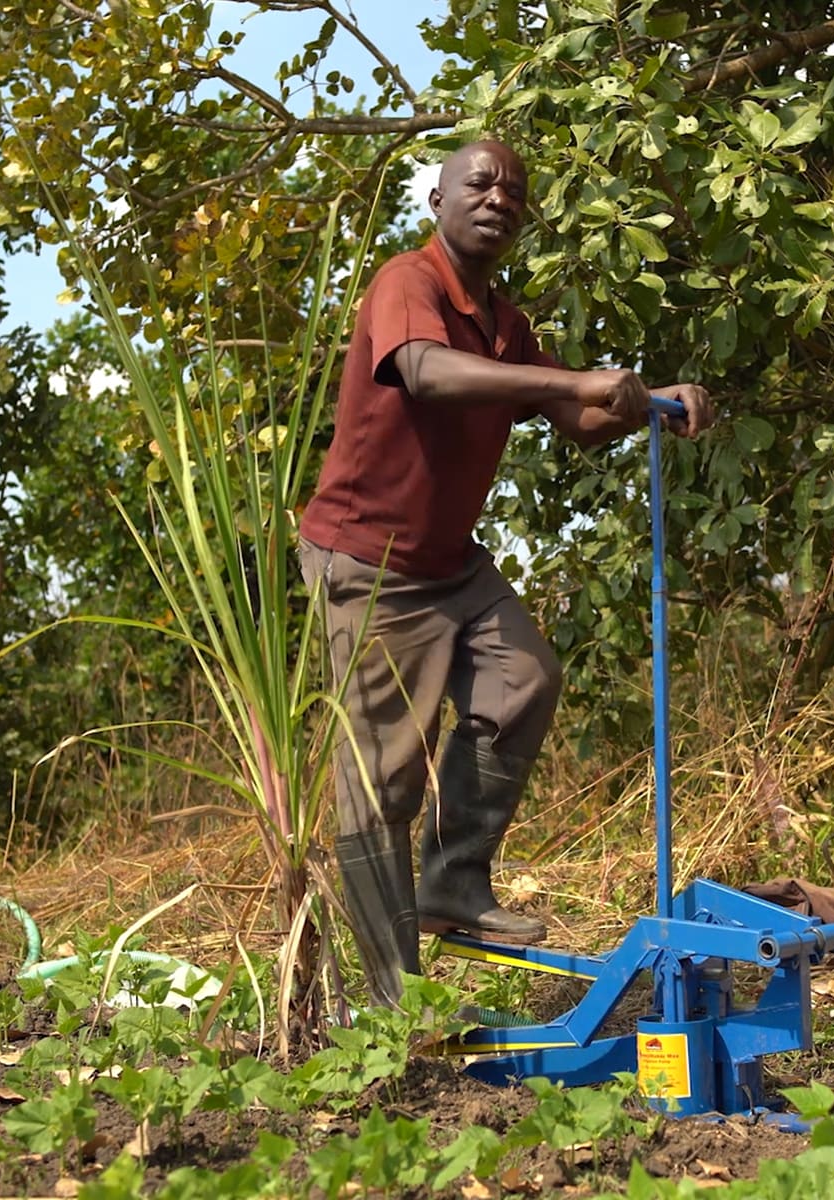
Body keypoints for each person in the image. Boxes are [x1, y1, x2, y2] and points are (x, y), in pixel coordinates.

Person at [297, 139, 714, 1008]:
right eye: (479, 184)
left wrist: (652, 400)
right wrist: (571, 379)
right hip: (371, 566)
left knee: (523, 676)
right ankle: (390, 1005)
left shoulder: (503, 322)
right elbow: (426, 372)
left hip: (449, 563)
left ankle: (452, 885)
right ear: (439, 201)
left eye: (513, 191)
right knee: (385, 778)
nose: (498, 199)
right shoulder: (405, 284)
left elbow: (575, 415)